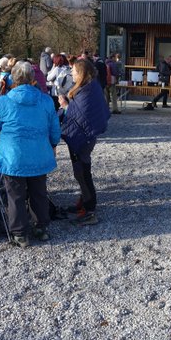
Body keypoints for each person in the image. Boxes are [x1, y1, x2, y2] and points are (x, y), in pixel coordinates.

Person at [0, 61, 60, 248]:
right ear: (33, 79)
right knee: (39, 192)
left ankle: (20, 233)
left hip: (13, 155)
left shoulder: (3, 101)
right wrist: (53, 144)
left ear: (13, 78)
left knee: (15, 195)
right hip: (38, 154)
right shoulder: (45, 100)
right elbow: (54, 129)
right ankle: (41, 227)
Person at [58, 58, 110, 225]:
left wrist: (65, 105)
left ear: (80, 73)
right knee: (82, 172)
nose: (71, 73)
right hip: (85, 137)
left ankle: (90, 210)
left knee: (82, 173)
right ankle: (84, 203)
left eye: (73, 71)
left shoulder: (87, 90)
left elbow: (80, 116)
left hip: (83, 138)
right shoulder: (91, 86)